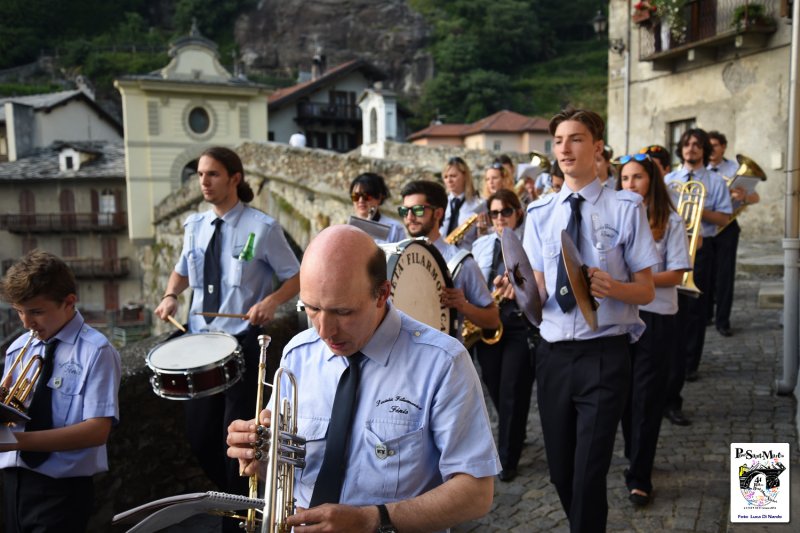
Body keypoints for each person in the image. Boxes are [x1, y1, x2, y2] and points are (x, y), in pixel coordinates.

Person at [226, 225, 500, 531]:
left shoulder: (444, 363)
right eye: (312, 308)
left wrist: (373, 519)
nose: (324, 331)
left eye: (343, 312)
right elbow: (283, 469)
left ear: (382, 293)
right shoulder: (297, 354)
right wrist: (258, 453)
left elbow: (477, 492)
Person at [521, 107, 658, 532]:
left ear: (597, 147)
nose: (565, 148)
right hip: (554, 356)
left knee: (588, 473)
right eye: (559, 140)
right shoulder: (540, 213)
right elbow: (539, 294)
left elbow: (647, 290)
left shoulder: (625, 207)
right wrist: (516, 291)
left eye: (575, 138)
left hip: (605, 354)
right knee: (562, 473)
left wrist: (612, 287)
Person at [153, 146, 300, 525]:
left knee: (236, 442)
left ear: (235, 178)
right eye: (200, 174)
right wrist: (171, 295)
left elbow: (296, 275)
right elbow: (183, 269)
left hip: (243, 345)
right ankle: (236, 503)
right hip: (200, 345)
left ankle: (237, 517)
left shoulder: (262, 227)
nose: (203, 181)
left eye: (212, 174)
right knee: (201, 439)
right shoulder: (194, 226)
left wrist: (270, 301)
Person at [0, 250, 121, 532]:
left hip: (61, 490)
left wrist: (16, 441)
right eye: (19, 311)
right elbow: (12, 413)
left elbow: (96, 431)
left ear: (69, 302)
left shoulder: (96, 350)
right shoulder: (20, 348)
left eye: (36, 312)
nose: (26, 323)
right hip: (14, 482)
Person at [617, 153, 691, 507]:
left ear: (652, 182)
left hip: (656, 316)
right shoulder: (616, 219)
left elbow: (677, 274)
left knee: (647, 399)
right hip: (621, 315)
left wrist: (634, 279)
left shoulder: (670, 221)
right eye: (625, 178)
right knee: (625, 396)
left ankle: (640, 475)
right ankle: (635, 454)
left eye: (638, 178)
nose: (630, 184)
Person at [663, 129, 731, 417]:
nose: (691, 149)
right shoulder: (668, 181)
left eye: (696, 144)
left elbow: (724, 218)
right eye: (687, 144)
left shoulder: (714, 182)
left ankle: (689, 364)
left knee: (695, 309)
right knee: (672, 315)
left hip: (701, 248)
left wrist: (697, 209)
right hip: (669, 251)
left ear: (704, 149)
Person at [471, 189, 537, 483]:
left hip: (519, 323)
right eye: (495, 213)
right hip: (489, 324)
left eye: (506, 212)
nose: (500, 218)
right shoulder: (482, 244)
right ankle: (516, 430)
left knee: (512, 389)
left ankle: (507, 457)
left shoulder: (529, 243)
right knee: (494, 385)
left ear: (517, 213)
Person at [399, 180, 500, 339]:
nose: (410, 217)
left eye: (418, 210)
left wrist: (463, 306)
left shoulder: (462, 262)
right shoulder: (396, 255)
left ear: (438, 213)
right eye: (405, 211)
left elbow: (493, 320)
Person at [706, 130, 759, 337]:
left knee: (725, 276)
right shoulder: (701, 170)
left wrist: (744, 197)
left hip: (727, 227)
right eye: (708, 146)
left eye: (715, 146)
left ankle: (723, 321)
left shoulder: (734, 169)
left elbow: (756, 198)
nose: (712, 150)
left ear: (723, 147)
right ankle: (706, 316)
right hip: (706, 226)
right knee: (704, 275)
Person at [348, 172, 406, 244]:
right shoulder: (347, 229)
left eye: (366, 196)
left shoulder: (394, 229)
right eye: (355, 196)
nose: (361, 200)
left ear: (379, 197)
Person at [441, 156, 485, 249]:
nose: (449, 180)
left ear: (465, 176)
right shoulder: (440, 203)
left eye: (453, 176)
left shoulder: (479, 204)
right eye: (446, 177)